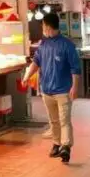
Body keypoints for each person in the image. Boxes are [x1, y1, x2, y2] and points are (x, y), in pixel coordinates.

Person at [23, 13, 81, 163]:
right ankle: (56, 144)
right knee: (53, 120)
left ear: (47, 26)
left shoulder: (67, 45)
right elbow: (36, 62)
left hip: (63, 91)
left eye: (42, 25)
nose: (42, 28)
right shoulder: (43, 44)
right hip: (47, 90)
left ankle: (66, 147)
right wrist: (27, 76)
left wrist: (74, 87)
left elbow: (75, 68)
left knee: (64, 120)